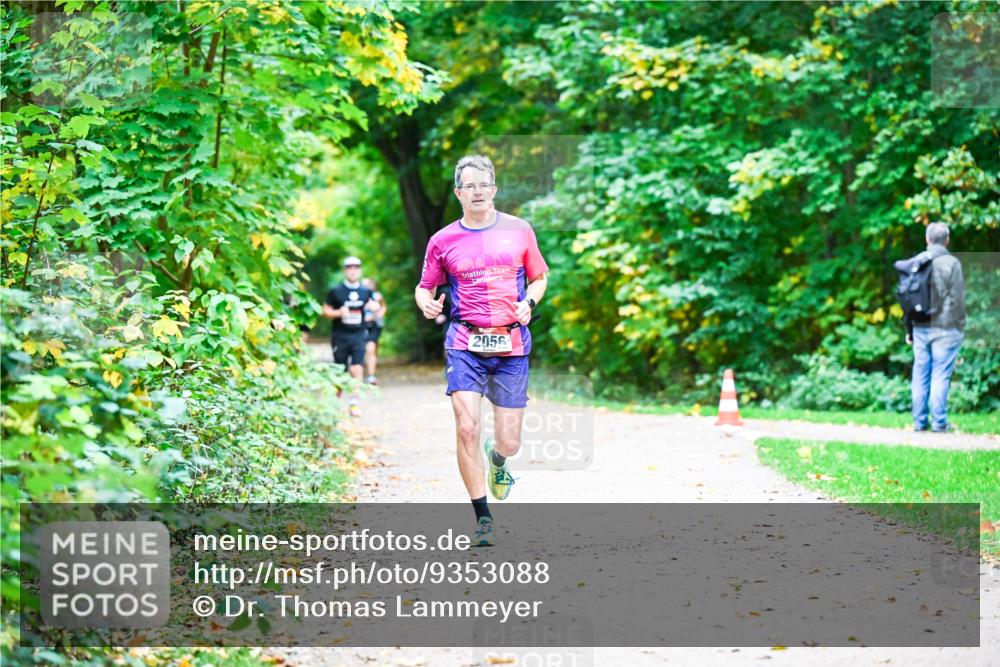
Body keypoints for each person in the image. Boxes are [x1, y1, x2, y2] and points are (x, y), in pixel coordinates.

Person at [414, 155, 549, 546]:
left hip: (511, 342)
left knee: (510, 441)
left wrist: (529, 303)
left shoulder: (519, 230)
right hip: (465, 343)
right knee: (467, 427)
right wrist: (426, 303)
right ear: (458, 193)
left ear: (494, 189)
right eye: (469, 186)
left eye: (483, 184)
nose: (477, 191)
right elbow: (424, 286)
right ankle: (483, 517)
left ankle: (499, 458)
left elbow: (540, 278)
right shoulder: (442, 240)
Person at [906, 222, 966, 433]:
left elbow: (908, 298)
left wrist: (909, 329)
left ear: (927, 239)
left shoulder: (917, 261)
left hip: (919, 326)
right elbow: (958, 299)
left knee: (920, 373)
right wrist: (960, 325)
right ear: (947, 240)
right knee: (940, 373)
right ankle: (939, 423)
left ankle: (919, 422)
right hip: (946, 327)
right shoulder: (952, 263)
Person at [323, 256, 375, 417]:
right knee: (340, 370)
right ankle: (335, 405)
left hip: (359, 334)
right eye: (349, 268)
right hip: (340, 335)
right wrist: (338, 313)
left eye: (356, 268)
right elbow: (325, 310)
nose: (353, 271)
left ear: (359, 270)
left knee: (357, 368)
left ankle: (354, 403)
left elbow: (376, 305)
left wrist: (374, 308)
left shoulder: (366, 291)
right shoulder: (336, 291)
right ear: (345, 271)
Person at [362, 277, 387, 385]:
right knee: (362, 350)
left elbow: (383, 307)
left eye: (369, 284)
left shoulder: (377, 296)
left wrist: (378, 315)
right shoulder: (358, 295)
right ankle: (360, 374)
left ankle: (371, 376)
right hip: (360, 326)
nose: (367, 286)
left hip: (374, 326)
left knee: (371, 349)